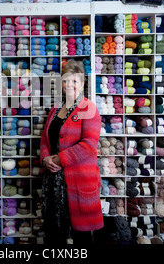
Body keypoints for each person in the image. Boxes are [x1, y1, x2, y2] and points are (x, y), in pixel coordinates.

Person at [39, 59, 103, 245]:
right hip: (53, 182)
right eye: (66, 80)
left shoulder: (88, 108)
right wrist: (45, 159)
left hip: (78, 182)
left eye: (75, 81)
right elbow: (45, 139)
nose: (69, 85)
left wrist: (59, 159)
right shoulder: (55, 110)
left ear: (82, 84)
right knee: (54, 232)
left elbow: (89, 145)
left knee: (81, 236)